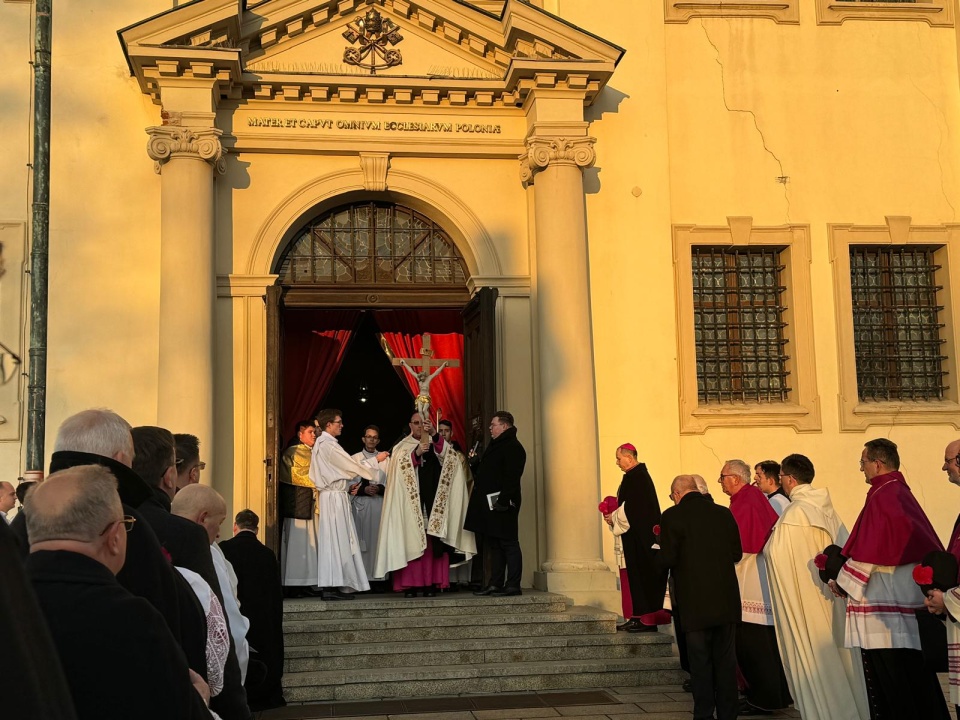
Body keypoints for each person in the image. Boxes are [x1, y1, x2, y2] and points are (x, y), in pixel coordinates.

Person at [24, 464, 214, 720]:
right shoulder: (131, 619)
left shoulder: (11, 604)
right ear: (115, 537)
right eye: (126, 525)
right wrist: (198, 699)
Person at [131, 425, 252, 720]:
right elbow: (218, 625)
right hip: (185, 678)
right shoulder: (186, 535)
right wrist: (235, 708)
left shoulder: (110, 518)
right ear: (170, 475)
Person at [832, 438, 948, 719]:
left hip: (886, 606)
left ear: (877, 463)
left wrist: (843, 582)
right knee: (912, 679)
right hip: (897, 599)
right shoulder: (893, 490)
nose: (861, 469)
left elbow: (870, 551)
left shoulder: (885, 494)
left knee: (898, 680)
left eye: (863, 463)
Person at [764, 453, 869, 720]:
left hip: (805, 598)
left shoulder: (795, 512)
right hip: (831, 595)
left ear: (788, 479)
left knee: (815, 655)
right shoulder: (828, 509)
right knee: (839, 654)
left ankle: (825, 711)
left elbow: (775, 555)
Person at [657, 474, 742, 720]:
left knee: (700, 662)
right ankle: (729, 714)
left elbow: (669, 559)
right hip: (725, 600)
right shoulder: (723, 513)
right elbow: (736, 553)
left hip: (694, 602)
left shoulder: (673, 515)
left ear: (676, 494)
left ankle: (704, 713)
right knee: (726, 662)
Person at [719, 459, 791, 715]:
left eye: (723, 477)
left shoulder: (747, 501)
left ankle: (764, 698)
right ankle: (765, 695)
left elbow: (741, 543)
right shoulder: (749, 498)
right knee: (759, 645)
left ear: (736, 479)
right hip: (751, 577)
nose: (721, 482)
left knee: (755, 647)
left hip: (751, 581)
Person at [374, 412, 475, 596]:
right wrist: (417, 453)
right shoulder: (401, 447)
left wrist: (435, 435)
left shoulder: (438, 444)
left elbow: (451, 460)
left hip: (433, 503)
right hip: (410, 506)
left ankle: (431, 583)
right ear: (410, 425)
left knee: (432, 544)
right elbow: (397, 470)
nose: (420, 426)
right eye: (416, 423)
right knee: (410, 540)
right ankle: (411, 585)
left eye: (424, 423)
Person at [172, 484, 252, 690]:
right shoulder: (209, 555)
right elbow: (230, 623)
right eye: (220, 523)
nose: (219, 534)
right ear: (203, 518)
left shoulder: (151, 538)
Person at [311, 408, 385, 600]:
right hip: (334, 496)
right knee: (337, 539)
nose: (342, 425)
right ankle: (332, 585)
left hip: (333, 495)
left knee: (335, 540)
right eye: (339, 422)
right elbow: (351, 467)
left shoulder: (324, 443)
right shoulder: (328, 445)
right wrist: (375, 460)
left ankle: (335, 584)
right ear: (329, 425)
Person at [219, 510, 286, 711]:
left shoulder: (223, 550)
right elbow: (275, 594)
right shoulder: (267, 554)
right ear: (256, 529)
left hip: (236, 615)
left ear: (234, 526)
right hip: (263, 617)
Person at [602, 443, 667, 632]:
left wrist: (614, 517)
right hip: (634, 537)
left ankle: (645, 618)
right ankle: (638, 616)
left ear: (629, 458)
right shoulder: (634, 476)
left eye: (618, 458)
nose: (616, 462)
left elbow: (634, 509)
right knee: (636, 576)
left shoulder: (639, 478)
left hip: (642, 540)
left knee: (642, 576)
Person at [464, 411, 526, 596]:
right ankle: (495, 583)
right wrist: (475, 464)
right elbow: (488, 473)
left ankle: (513, 584)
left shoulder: (513, 447)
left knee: (509, 543)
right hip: (491, 504)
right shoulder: (497, 445)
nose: (490, 428)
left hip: (503, 504)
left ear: (504, 426)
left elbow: (512, 477)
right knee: (495, 544)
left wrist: (504, 501)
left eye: (494, 424)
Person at [279, 419, 319, 595]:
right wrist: (321, 481)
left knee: (312, 543)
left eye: (315, 432)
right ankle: (295, 583)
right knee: (299, 543)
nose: (314, 435)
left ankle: (311, 581)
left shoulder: (316, 451)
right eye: (310, 432)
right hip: (298, 504)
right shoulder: (292, 452)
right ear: (300, 434)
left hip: (313, 503)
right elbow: (295, 474)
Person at [349, 424, 390, 583]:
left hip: (379, 505)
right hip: (361, 505)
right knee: (361, 542)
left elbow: (392, 482)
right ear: (363, 439)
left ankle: (379, 579)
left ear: (378, 440)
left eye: (374, 437)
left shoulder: (386, 459)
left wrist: (379, 488)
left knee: (378, 542)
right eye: (368, 436)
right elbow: (349, 482)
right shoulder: (355, 458)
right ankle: (362, 579)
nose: (371, 440)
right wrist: (364, 489)